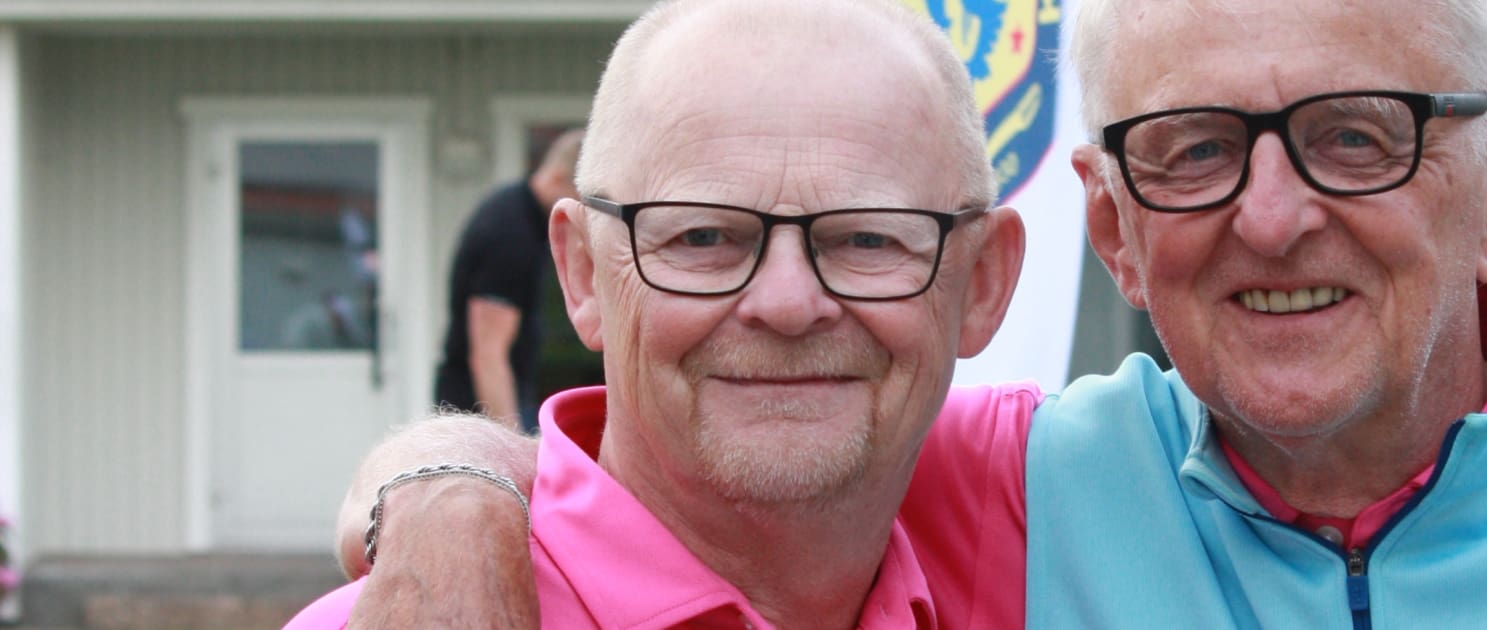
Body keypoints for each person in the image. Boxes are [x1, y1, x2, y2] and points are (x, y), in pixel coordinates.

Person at [331, 0, 1487, 627]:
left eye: (1356, 134)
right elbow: (702, 463)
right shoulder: (1021, 489)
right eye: (1194, 149)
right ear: (1109, 228)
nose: (1272, 214)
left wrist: (443, 486)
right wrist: (454, 497)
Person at [286, 0, 1025, 626]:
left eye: (868, 239)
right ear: (582, 274)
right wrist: (451, 498)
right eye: (701, 237)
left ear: (984, 283)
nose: (788, 304)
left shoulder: (1041, 522)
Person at [432, 127, 583, 433]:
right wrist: (511, 441)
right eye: (581, 200)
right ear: (557, 179)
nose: (583, 214)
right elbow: (488, 355)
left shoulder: (521, 212)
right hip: (476, 413)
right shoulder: (509, 234)